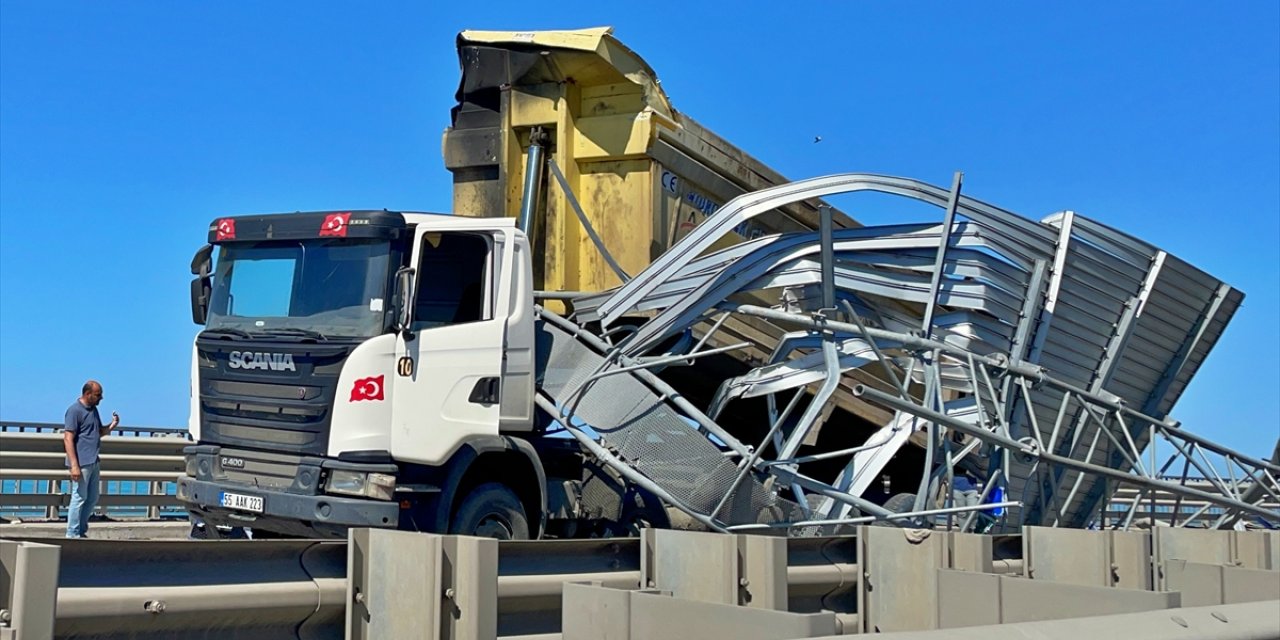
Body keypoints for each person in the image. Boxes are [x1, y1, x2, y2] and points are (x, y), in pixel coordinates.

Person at [62, 380, 119, 538]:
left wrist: (112, 426)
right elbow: (68, 438)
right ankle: (72, 533)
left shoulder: (93, 410)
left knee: (92, 497)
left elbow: (97, 432)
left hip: (94, 460)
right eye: (98, 395)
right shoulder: (74, 411)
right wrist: (74, 465)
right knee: (79, 497)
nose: (101, 398)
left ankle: (81, 529)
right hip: (81, 461)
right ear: (88, 394)